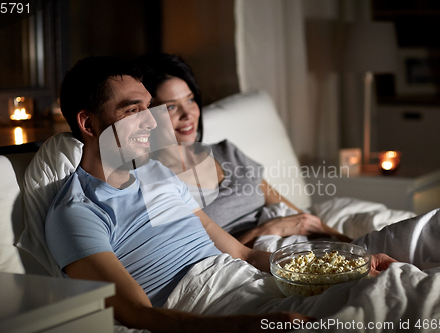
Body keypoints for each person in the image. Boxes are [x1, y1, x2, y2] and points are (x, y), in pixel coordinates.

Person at [45, 56, 395, 332]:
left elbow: (243, 254)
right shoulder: (77, 213)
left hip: (250, 283)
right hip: (206, 306)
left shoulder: (157, 175)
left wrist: (349, 265)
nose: (152, 123)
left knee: (390, 288)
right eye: (133, 111)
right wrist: (240, 326)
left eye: (149, 109)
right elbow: (139, 315)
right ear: (89, 124)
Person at [135, 53, 351, 246]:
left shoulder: (226, 152)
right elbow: (201, 255)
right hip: (254, 260)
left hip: (299, 242)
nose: (188, 114)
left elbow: (298, 214)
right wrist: (265, 231)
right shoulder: (156, 183)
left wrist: (348, 242)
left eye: (190, 100)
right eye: (171, 106)